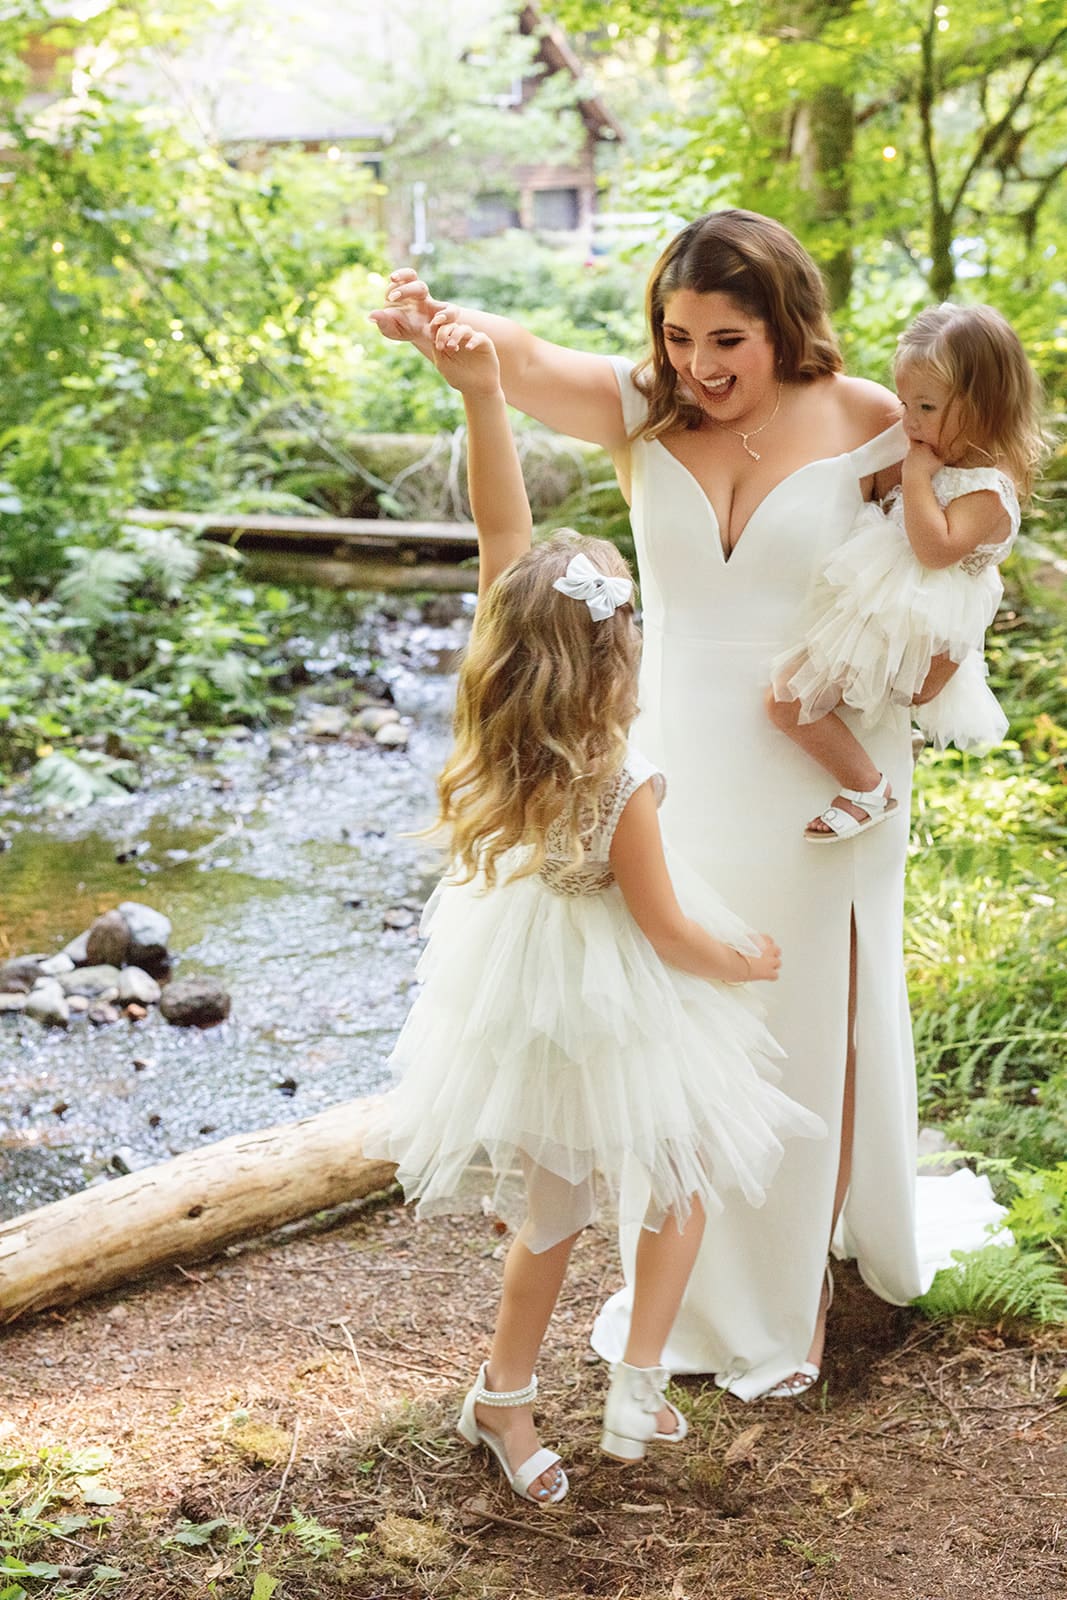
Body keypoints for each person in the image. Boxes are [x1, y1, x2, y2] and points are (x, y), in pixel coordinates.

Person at [370, 208, 1007, 1404]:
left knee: (804, 1014)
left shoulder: (872, 418)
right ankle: (681, 1308)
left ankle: (789, 1301)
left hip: (816, 756)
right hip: (664, 765)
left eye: (728, 339)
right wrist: (445, 329)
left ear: (783, 325)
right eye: (676, 337)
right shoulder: (638, 408)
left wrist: (920, 673)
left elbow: (960, 541)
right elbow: (520, 362)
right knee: (678, 1030)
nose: (700, 367)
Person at [363, 317, 825, 1506]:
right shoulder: (623, 783)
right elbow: (670, 931)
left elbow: (499, 533)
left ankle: (513, 1389)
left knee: (557, 1208)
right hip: (609, 990)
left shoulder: (505, 720)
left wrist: (481, 399)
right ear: (619, 658)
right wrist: (743, 957)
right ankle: (626, 1374)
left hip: (523, 978)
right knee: (674, 1179)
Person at [767, 303, 1046, 843]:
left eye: (926, 406)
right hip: (895, 600)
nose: (909, 422)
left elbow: (934, 549)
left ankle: (869, 787)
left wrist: (916, 476)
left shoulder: (988, 488)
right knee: (807, 696)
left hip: (920, 612)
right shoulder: (948, 455)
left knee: (787, 700)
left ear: (984, 407)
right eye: (904, 402)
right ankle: (889, 747)